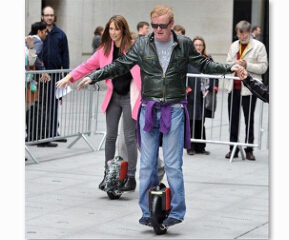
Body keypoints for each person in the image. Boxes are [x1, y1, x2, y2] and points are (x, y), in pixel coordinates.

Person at [57, 5, 242, 228]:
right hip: (148, 110)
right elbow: (120, 65)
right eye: (154, 25)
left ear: (171, 24)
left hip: (173, 110)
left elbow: (204, 64)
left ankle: (177, 211)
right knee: (147, 164)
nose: (158, 29)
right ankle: (147, 212)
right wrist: (94, 76)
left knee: (173, 165)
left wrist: (230, 68)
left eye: (163, 26)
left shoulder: (183, 44)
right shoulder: (143, 44)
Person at [55, 15, 141, 192]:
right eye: (110, 29)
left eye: (117, 29)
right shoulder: (105, 49)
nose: (113, 32)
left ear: (123, 29)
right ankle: (108, 174)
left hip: (131, 96)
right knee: (110, 137)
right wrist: (69, 77)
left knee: (129, 137)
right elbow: (87, 66)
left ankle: (131, 177)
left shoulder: (133, 47)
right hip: (114, 96)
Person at [225, 20, 268, 161]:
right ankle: (233, 148)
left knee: (248, 119)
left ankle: (249, 149)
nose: (240, 36)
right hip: (234, 87)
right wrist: (234, 64)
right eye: (238, 33)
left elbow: (263, 67)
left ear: (248, 32)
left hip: (250, 89)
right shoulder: (233, 45)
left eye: (243, 33)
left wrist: (247, 65)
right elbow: (227, 63)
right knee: (233, 119)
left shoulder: (259, 46)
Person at [40, 6, 70, 146]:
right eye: (47, 15)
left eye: (51, 15)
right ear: (42, 16)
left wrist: (67, 77)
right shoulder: (38, 33)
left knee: (53, 104)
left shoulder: (61, 34)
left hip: (55, 75)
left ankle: (52, 132)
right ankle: (39, 134)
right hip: (39, 76)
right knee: (39, 105)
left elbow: (65, 56)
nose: (49, 17)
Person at [187, 36, 219, 156]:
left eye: (200, 45)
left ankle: (201, 146)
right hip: (191, 92)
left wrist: (214, 88)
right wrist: (186, 89)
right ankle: (190, 146)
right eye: (196, 45)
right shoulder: (188, 60)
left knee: (201, 120)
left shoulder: (208, 59)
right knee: (191, 119)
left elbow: (214, 72)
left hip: (204, 94)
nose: (198, 47)